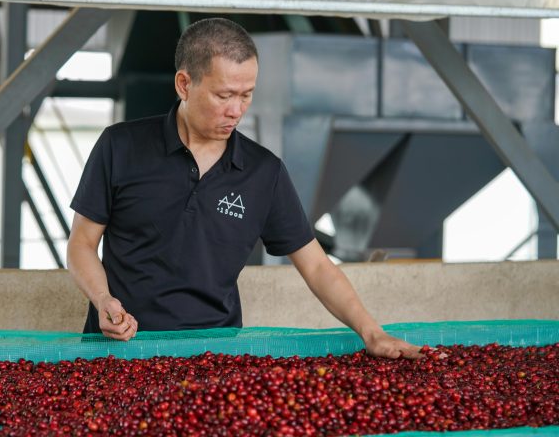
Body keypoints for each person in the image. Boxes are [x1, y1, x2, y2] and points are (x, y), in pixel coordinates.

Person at [67, 18, 420, 359]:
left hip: (214, 359)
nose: (236, 110)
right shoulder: (120, 146)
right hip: (117, 354)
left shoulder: (263, 173)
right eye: (224, 95)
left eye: (247, 95)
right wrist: (103, 300)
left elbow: (317, 267)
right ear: (184, 84)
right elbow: (82, 243)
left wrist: (371, 332)